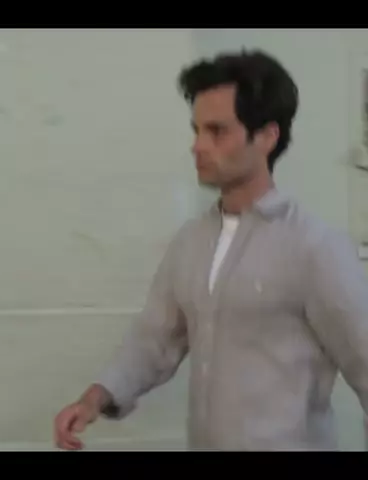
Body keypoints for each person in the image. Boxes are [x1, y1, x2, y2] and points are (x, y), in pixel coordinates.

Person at [53, 49, 368, 450]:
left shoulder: (314, 246)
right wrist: (95, 398)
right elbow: (155, 338)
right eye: (196, 130)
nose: (198, 146)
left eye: (217, 132)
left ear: (267, 136)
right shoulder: (191, 243)